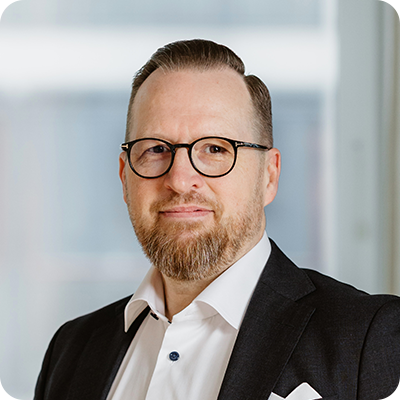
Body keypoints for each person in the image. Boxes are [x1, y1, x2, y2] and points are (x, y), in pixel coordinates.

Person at [34, 39, 400, 400]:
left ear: (269, 176)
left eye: (214, 149)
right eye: (156, 149)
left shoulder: (369, 340)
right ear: (124, 177)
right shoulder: (71, 350)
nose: (180, 180)